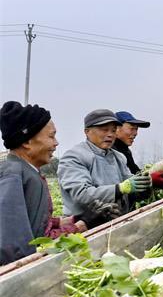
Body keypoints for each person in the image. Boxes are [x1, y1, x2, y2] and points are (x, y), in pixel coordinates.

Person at [0, 101, 87, 265]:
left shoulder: (28, 171)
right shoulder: (13, 175)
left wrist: (64, 221)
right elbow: (21, 246)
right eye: (51, 136)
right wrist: (78, 228)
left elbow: (31, 222)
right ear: (27, 142)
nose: (56, 143)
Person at [57, 109, 153, 228]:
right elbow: (82, 193)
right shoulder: (74, 157)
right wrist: (120, 188)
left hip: (117, 223)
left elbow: (129, 185)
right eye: (104, 130)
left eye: (113, 130)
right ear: (87, 131)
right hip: (86, 227)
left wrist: (144, 187)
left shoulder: (118, 157)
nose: (110, 135)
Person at [112, 111, 163, 189]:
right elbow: (123, 181)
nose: (135, 133)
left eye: (136, 129)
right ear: (116, 129)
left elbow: (135, 172)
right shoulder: (112, 152)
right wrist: (150, 180)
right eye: (131, 129)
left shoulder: (125, 150)